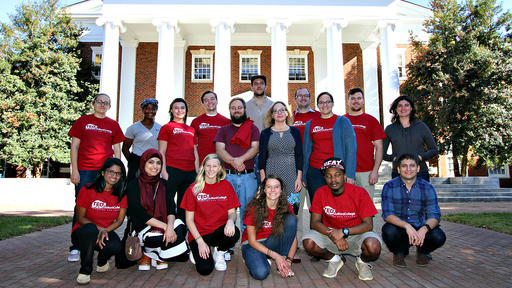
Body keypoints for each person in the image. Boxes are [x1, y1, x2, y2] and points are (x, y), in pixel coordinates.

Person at [302, 157, 382, 281]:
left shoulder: (360, 192)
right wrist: (334, 234)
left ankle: (362, 262)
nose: (333, 180)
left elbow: (368, 225)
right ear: (324, 178)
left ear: (344, 175)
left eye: (337, 175)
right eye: (328, 176)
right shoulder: (320, 192)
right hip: (331, 233)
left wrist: (344, 232)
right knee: (308, 242)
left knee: (373, 246)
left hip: (356, 233)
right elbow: (314, 223)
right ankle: (334, 259)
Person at [68, 93, 125, 262]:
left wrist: (117, 172)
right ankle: (76, 246)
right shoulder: (82, 121)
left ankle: (101, 239)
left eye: (106, 103)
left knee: (104, 204)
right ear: (93, 103)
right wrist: (75, 170)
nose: (102, 104)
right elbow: (74, 147)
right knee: (81, 206)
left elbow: (117, 150)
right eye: (100, 101)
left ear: (109, 106)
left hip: (105, 172)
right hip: (85, 170)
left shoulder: (113, 125)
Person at [126, 148, 189, 271]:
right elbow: (140, 214)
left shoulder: (165, 184)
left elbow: (171, 209)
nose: (155, 166)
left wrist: (170, 227)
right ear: (143, 163)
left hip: (163, 224)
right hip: (143, 227)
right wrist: (166, 228)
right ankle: (148, 253)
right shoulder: (133, 185)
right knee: (155, 238)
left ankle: (158, 255)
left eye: (158, 163)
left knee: (180, 226)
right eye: (151, 162)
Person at [381, 154, 446, 268]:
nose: (408, 169)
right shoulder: (389, 186)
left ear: (418, 168)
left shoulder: (427, 187)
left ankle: (422, 251)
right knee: (388, 231)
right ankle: (399, 252)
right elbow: (387, 214)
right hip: (400, 228)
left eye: (412, 166)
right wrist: (406, 226)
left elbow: (434, 214)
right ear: (399, 169)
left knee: (439, 236)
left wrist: (424, 229)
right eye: (404, 166)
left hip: (420, 227)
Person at [181, 154, 241, 275]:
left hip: (218, 232)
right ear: (203, 167)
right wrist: (200, 242)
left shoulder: (226, 186)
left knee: (234, 232)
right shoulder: (194, 188)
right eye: (208, 166)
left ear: (220, 168)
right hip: (199, 235)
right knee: (205, 270)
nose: (211, 169)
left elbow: (232, 213)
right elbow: (189, 220)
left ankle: (219, 252)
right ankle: (195, 249)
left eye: (215, 166)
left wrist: (230, 221)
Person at [72, 158, 128, 285]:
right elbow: (80, 218)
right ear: (103, 172)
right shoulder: (88, 189)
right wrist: (99, 229)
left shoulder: (121, 193)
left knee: (115, 246)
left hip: (105, 231)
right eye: (111, 172)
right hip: (83, 232)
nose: (114, 176)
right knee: (90, 230)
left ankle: (102, 261)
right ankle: (85, 271)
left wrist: (105, 230)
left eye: (118, 173)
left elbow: (120, 220)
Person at [214, 97, 260, 232]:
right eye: (233, 108)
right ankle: (229, 244)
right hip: (228, 177)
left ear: (244, 109)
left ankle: (247, 242)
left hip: (248, 177)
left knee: (248, 211)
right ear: (230, 111)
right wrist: (234, 162)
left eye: (239, 107)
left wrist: (241, 159)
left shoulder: (253, 128)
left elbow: (255, 148)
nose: (236, 110)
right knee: (227, 211)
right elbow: (219, 149)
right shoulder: (223, 130)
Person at [302, 92, 357, 202]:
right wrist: (304, 175)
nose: (325, 105)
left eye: (328, 102)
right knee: (318, 205)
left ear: (332, 104)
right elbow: (306, 151)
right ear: (317, 105)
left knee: (337, 205)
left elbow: (351, 149)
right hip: (315, 172)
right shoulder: (310, 124)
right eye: (321, 102)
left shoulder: (343, 121)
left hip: (336, 171)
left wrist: (350, 174)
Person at [241, 176, 298, 280]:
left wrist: (288, 261)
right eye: (269, 187)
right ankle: (262, 259)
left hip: (273, 242)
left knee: (291, 219)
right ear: (264, 189)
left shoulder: (287, 206)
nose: (273, 190)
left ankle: (279, 259)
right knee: (260, 273)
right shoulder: (254, 207)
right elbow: (252, 241)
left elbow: (292, 237)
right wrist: (276, 256)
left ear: (281, 190)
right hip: (253, 245)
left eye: (276, 187)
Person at [158, 98, 199, 222]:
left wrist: (197, 172)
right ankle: (167, 230)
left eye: (182, 108)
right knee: (168, 202)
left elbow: (195, 152)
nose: (179, 110)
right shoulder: (166, 127)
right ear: (171, 110)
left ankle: (181, 230)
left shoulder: (191, 130)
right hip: (172, 170)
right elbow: (161, 152)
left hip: (189, 172)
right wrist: (163, 171)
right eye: (176, 108)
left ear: (186, 111)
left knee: (185, 204)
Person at [259, 101, 303, 214]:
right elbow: (262, 158)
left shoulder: (295, 131)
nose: (279, 113)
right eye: (276, 111)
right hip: (271, 174)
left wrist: (299, 178)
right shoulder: (265, 133)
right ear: (272, 115)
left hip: (291, 176)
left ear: (287, 113)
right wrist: (264, 179)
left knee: (291, 212)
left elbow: (299, 155)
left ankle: (291, 232)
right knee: (271, 210)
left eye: (282, 110)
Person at [383, 95, 438, 182]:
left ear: (411, 108)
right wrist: (394, 158)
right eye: (400, 105)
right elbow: (382, 153)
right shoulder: (390, 129)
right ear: (396, 109)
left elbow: (434, 149)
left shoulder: (421, 126)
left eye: (406, 105)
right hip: (398, 173)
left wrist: (420, 157)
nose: (403, 108)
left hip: (420, 172)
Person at [344, 88, 386, 200]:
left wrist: (375, 171)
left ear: (363, 101)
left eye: (359, 98)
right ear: (348, 101)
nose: (356, 101)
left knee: (366, 210)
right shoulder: (341, 121)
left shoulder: (371, 121)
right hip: (346, 172)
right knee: (348, 208)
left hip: (366, 172)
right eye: (352, 98)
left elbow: (379, 147)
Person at [122, 98, 161, 182]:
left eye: (153, 109)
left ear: (156, 111)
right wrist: (133, 162)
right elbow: (125, 148)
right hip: (137, 162)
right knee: (135, 188)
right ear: (143, 110)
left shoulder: (160, 128)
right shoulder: (133, 128)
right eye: (147, 108)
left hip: (153, 163)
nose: (150, 111)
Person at [190, 91, 231, 164]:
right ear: (203, 104)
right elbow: (192, 146)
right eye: (206, 100)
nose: (210, 102)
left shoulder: (227, 122)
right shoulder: (196, 122)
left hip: (221, 164)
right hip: (202, 163)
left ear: (217, 101)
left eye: (212, 99)